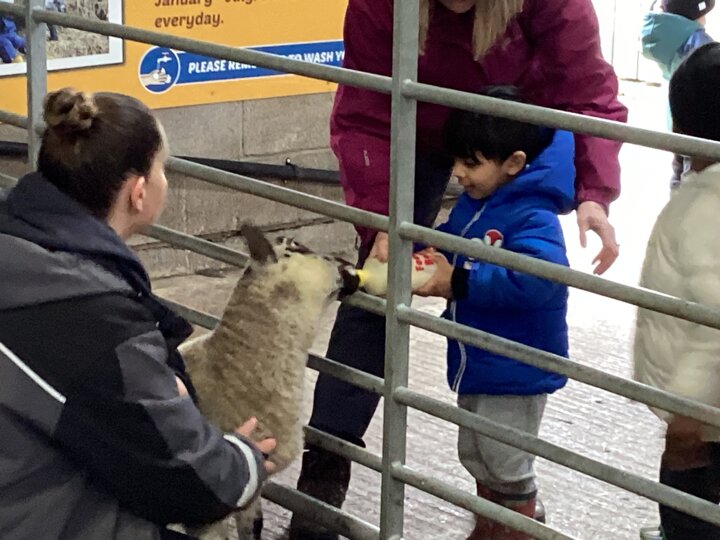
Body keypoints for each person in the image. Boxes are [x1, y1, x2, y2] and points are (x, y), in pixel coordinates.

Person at [290, 1, 627, 538]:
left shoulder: (552, 8)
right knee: (377, 288)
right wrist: (381, 219)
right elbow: (364, 110)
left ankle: (504, 515)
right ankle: (323, 474)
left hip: (508, 141)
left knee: (502, 279)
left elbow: (586, 89)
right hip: (418, 131)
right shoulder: (382, 7)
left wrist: (593, 191)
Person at [0, 88, 276, 539]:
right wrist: (243, 460)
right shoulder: (93, 317)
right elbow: (189, 481)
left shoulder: (21, 248)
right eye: (162, 167)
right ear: (140, 192)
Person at [410, 85, 572, 540]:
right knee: (478, 456)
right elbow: (457, 239)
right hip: (478, 359)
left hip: (514, 367)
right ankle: (491, 528)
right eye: (457, 161)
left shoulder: (534, 215)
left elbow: (540, 279)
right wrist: (426, 251)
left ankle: (518, 528)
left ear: (514, 163)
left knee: (507, 465)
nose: (458, 173)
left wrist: (460, 282)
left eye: (471, 162)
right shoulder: (478, 202)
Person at [633, 42, 720, 540]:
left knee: (688, 499)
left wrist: (688, 410)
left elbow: (714, 322)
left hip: (704, 412)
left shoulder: (709, 207)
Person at [641, 0, 715, 190]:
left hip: (678, 117)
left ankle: (678, 201)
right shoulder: (698, 43)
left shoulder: (662, 33)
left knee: (680, 167)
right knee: (695, 173)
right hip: (702, 122)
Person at [0, 0, 25, 64]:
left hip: (8, 30)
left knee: (18, 40)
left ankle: (29, 51)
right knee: (6, 44)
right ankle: (13, 59)